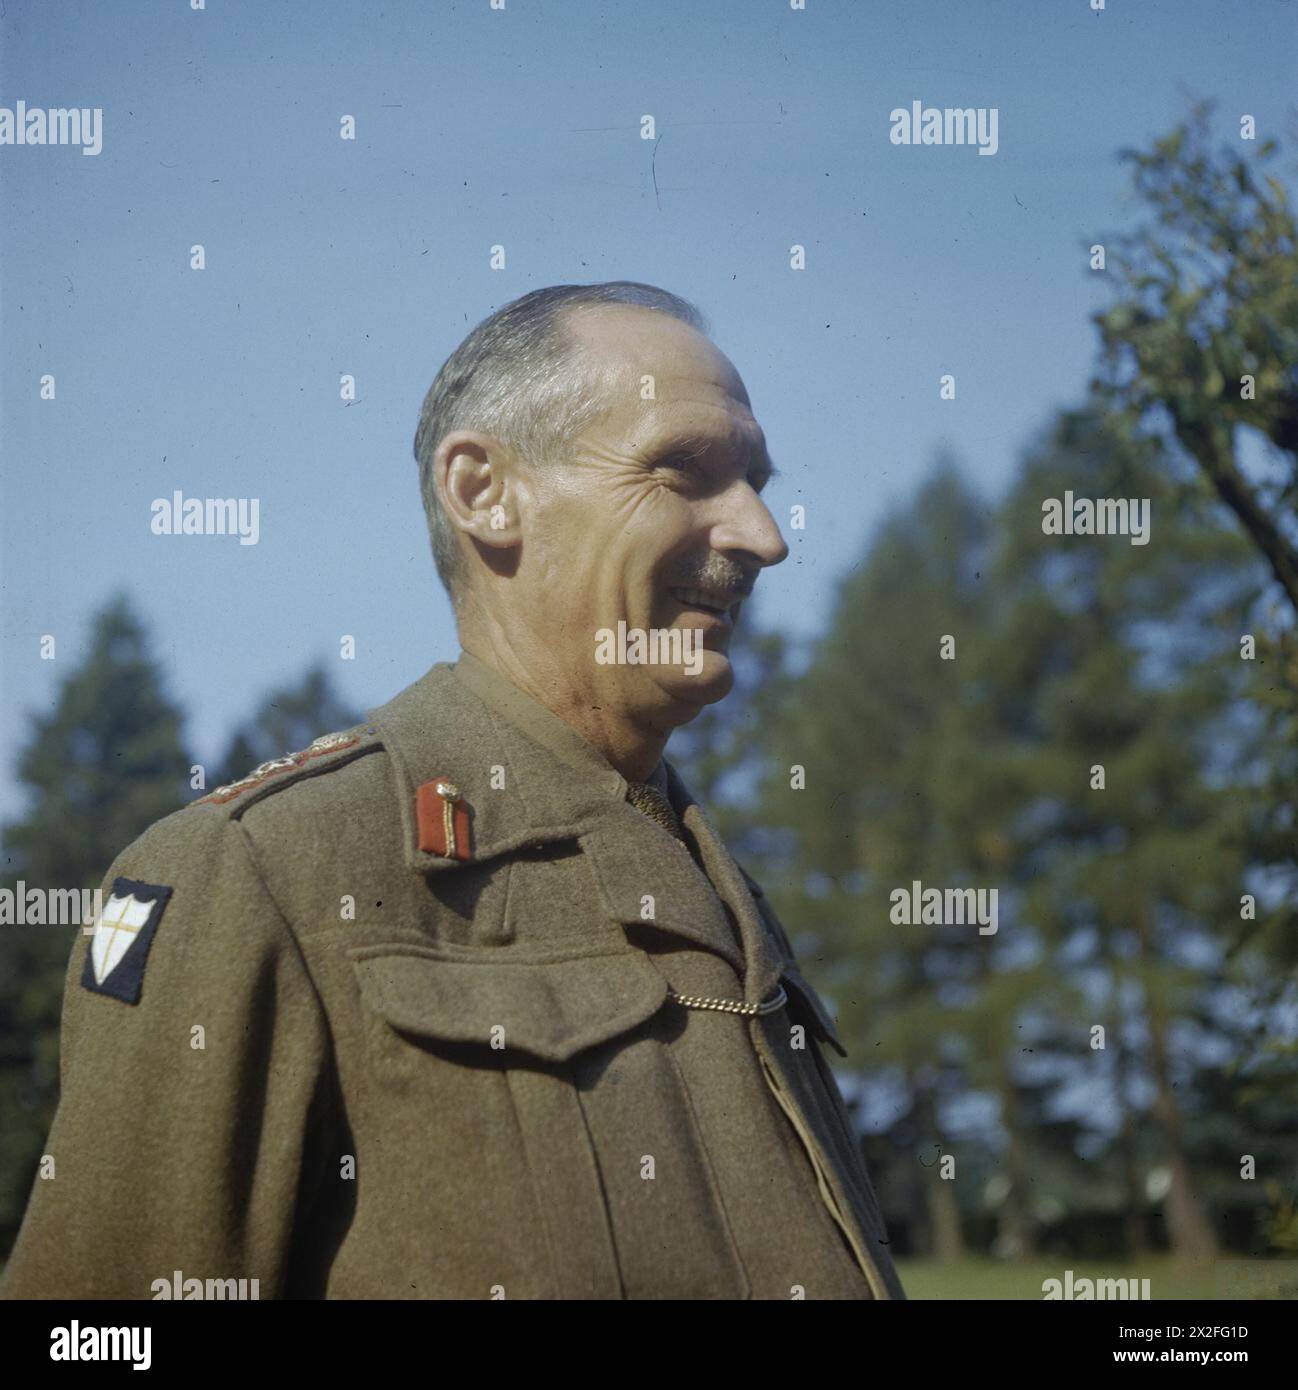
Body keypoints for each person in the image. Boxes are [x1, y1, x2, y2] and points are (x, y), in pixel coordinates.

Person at [1, 282, 904, 1300]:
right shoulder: (266, 872)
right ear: (482, 492)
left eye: (754, 481)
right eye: (684, 471)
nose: (760, 534)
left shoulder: (719, 889)